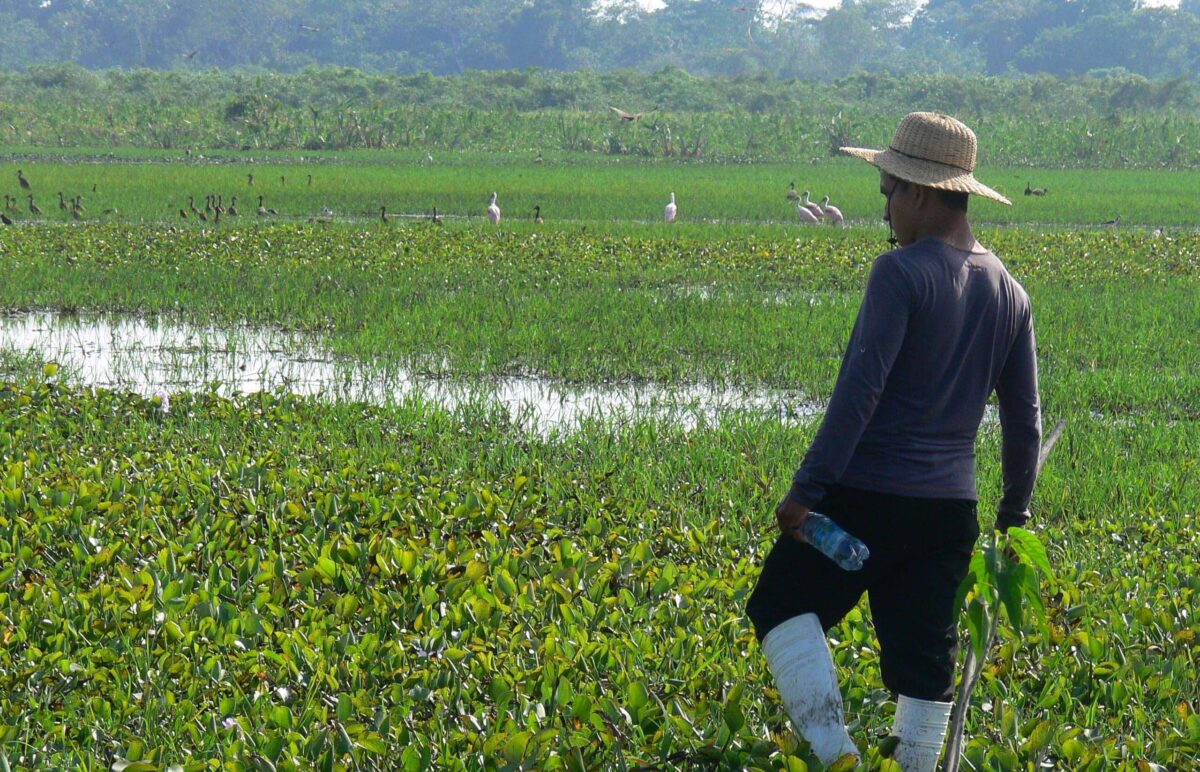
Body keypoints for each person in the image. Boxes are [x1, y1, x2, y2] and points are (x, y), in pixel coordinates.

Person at [746, 112, 1041, 771]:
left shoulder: (900, 273)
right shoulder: (1011, 291)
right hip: (948, 517)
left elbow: (859, 395)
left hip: (867, 498)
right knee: (922, 664)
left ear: (921, 194)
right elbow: (1026, 425)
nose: (886, 213)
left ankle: (836, 755)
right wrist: (1012, 519)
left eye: (888, 195)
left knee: (781, 604)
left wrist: (805, 493)